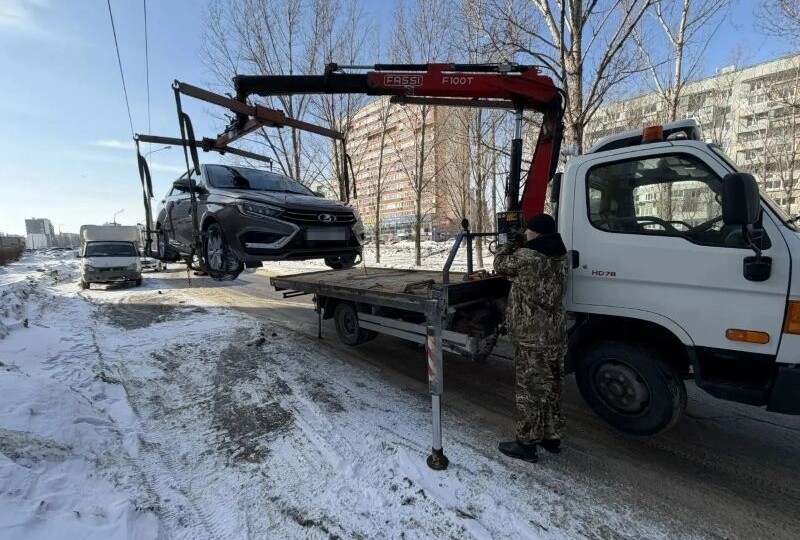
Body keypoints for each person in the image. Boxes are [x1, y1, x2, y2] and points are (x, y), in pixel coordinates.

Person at [493, 213, 569, 463]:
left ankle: (525, 444)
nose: (525, 233)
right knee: (551, 388)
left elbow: (500, 264)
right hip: (554, 335)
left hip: (532, 338)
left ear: (535, 232)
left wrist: (508, 241)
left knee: (530, 391)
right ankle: (551, 436)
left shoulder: (527, 257)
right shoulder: (560, 256)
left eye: (527, 231)